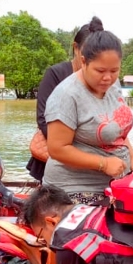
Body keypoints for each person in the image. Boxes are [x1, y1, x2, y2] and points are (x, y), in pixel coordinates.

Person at [43, 19, 133, 204]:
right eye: (100, 70)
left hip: (115, 182)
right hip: (74, 189)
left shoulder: (113, 85)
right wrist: (103, 164)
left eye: (114, 70)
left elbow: (117, 129)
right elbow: (57, 149)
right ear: (83, 61)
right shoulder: (67, 95)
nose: (107, 77)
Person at [26, 19, 95, 181]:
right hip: (57, 159)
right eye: (87, 51)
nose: (91, 58)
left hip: (92, 161)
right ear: (75, 48)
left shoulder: (103, 80)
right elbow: (43, 119)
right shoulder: (56, 74)